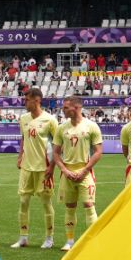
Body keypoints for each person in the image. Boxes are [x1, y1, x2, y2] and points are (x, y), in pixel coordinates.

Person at [54, 95, 105, 249]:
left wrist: (85, 170)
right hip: (67, 173)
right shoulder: (62, 128)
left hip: (85, 171)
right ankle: (70, 241)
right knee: (70, 207)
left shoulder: (91, 126)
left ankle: (93, 240)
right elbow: (56, 153)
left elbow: (98, 152)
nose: (62, 110)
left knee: (89, 205)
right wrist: (64, 170)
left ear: (76, 107)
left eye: (65, 108)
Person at [13, 87, 59, 249]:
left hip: (43, 168)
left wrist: (52, 166)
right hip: (26, 167)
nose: (24, 102)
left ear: (37, 100)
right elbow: (23, 139)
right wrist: (20, 157)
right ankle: (23, 237)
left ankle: (49, 238)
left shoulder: (50, 120)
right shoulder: (24, 119)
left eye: (27, 100)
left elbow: (57, 145)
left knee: (46, 202)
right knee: (23, 201)